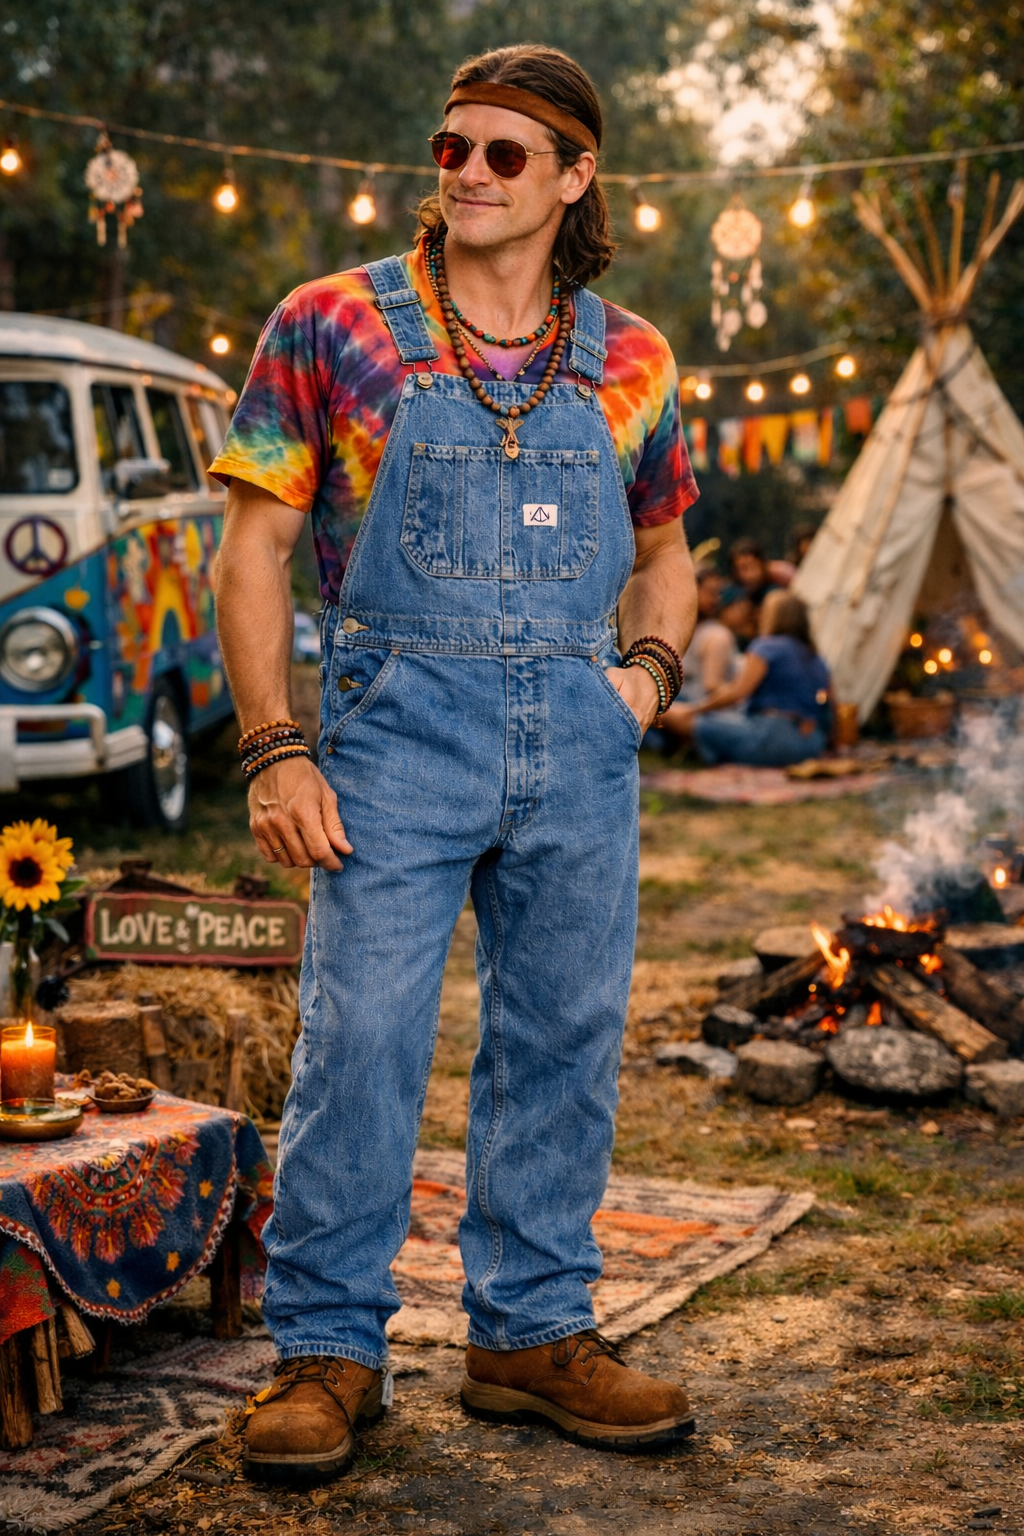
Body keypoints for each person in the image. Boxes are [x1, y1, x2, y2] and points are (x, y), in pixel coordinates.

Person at [211, 43, 699, 1484]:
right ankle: (325, 1353)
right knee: (359, 1047)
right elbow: (252, 555)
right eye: (450, 149)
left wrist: (643, 685)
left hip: (582, 749)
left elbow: (668, 557)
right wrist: (275, 747)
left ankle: (531, 1336)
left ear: (575, 178)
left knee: (562, 1045)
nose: (467, 175)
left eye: (503, 154)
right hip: (392, 742)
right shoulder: (332, 327)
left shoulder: (632, 360)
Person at [661, 591, 830, 766]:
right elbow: (829, 703)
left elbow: (737, 693)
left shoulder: (767, 647)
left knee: (670, 713)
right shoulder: (816, 658)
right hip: (811, 744)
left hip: (769, 738)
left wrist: (693, 710)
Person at [677, 562, 739, 705]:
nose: (717, 599)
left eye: (718, 593)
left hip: (700, 714)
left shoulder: (716, 636)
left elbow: (712, 687)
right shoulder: (679, 630)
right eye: (711, 592)